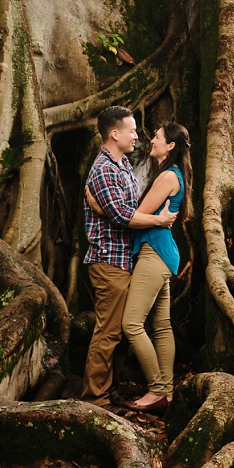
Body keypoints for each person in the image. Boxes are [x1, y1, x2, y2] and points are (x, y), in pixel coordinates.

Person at [122, 124, 192, 417]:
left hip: (154, 254)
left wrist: (100, 208)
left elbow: (135, 215)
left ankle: (157, 390)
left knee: (131, 324)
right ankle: (168, 391)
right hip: (163, 254)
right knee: (161, 325)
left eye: (159, 137)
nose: (152, 140)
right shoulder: (174, 175)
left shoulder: (167, 176)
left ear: (171, 146)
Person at [82, 104, 143, 401]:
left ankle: (110, 387)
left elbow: (131, 209)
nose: (136, 136)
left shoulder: (124, 166)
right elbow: (121, 215)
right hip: (109, 263)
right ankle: (95, 396)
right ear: (114, 133)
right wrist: (157, 220)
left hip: (125, 261)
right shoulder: (105, 169)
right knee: (107, 332)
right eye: (131, 130)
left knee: (121, 330)